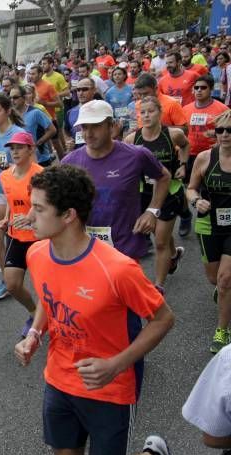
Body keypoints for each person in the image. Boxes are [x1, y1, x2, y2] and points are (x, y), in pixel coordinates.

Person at [16, 164, 178, 455]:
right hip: (59, 379)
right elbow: (48, 296)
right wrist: (34, 333)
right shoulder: (37, 254)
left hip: (110, 386)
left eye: (39, 208)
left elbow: (163, 319)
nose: (30, 216)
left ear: (69, 215)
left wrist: (116, 364)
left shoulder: (117, 268)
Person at [62, 100, 171, 262]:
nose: (89, 133)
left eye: (96, 126)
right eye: (84, 127)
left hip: (126, 244)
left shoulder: (136, 155)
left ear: (111, 125)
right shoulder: (69, 163)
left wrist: (152, 211)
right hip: (86, 245)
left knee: (123, 287)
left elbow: (164, 177)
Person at [123, 96, 189, 293]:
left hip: (170, 191)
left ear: (160, 112)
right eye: (142, 112)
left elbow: (185, 145)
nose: (146, 115)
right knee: (159, 233)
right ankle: (174, 254)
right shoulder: (132, 139)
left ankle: (158, 286)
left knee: (160, 241)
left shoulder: (173, 134)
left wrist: (183, 165)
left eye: (150, 111)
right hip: (145, 194)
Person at [187, 109, 231, 353]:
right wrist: (195, 202)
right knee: (215, 278)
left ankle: (223, 329)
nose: (225, 135)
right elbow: (191, 189)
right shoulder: (205, 158)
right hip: (208, 223)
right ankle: (224, 292)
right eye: (220, 131)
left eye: (229, 131)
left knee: (225, 280)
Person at [0, 132, 43, 336]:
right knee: (12, 284)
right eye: (12, 148)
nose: (14, 152)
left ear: (30, 149)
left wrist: (30, 217)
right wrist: (7, 218)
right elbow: (11, 200)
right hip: (16, 236)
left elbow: (39, 202)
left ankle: (48, 321)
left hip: (40, 237)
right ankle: (34, 313)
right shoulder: (5, 175)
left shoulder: (40, 174)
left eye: (19, 147)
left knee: (46, 286)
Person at [0, 94, 25, 300]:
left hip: (18, 193)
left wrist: (1, 165)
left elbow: (25, 167)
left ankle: (19, 278)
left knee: (20, 238)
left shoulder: (18, 134)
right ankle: (6, 279)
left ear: (8, 111)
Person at [182, 74, 228, 237]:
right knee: (188, 187)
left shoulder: (222, 109)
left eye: (203, 87)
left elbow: (228, 128)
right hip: (191, 154)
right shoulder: (186, 108)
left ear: (211, 89)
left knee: (210, 187)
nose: (199, 91)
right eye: (196, 88)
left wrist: (216, 135)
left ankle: (216, 217)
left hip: (212, 157)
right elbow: (182, 131)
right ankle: (186, 215)